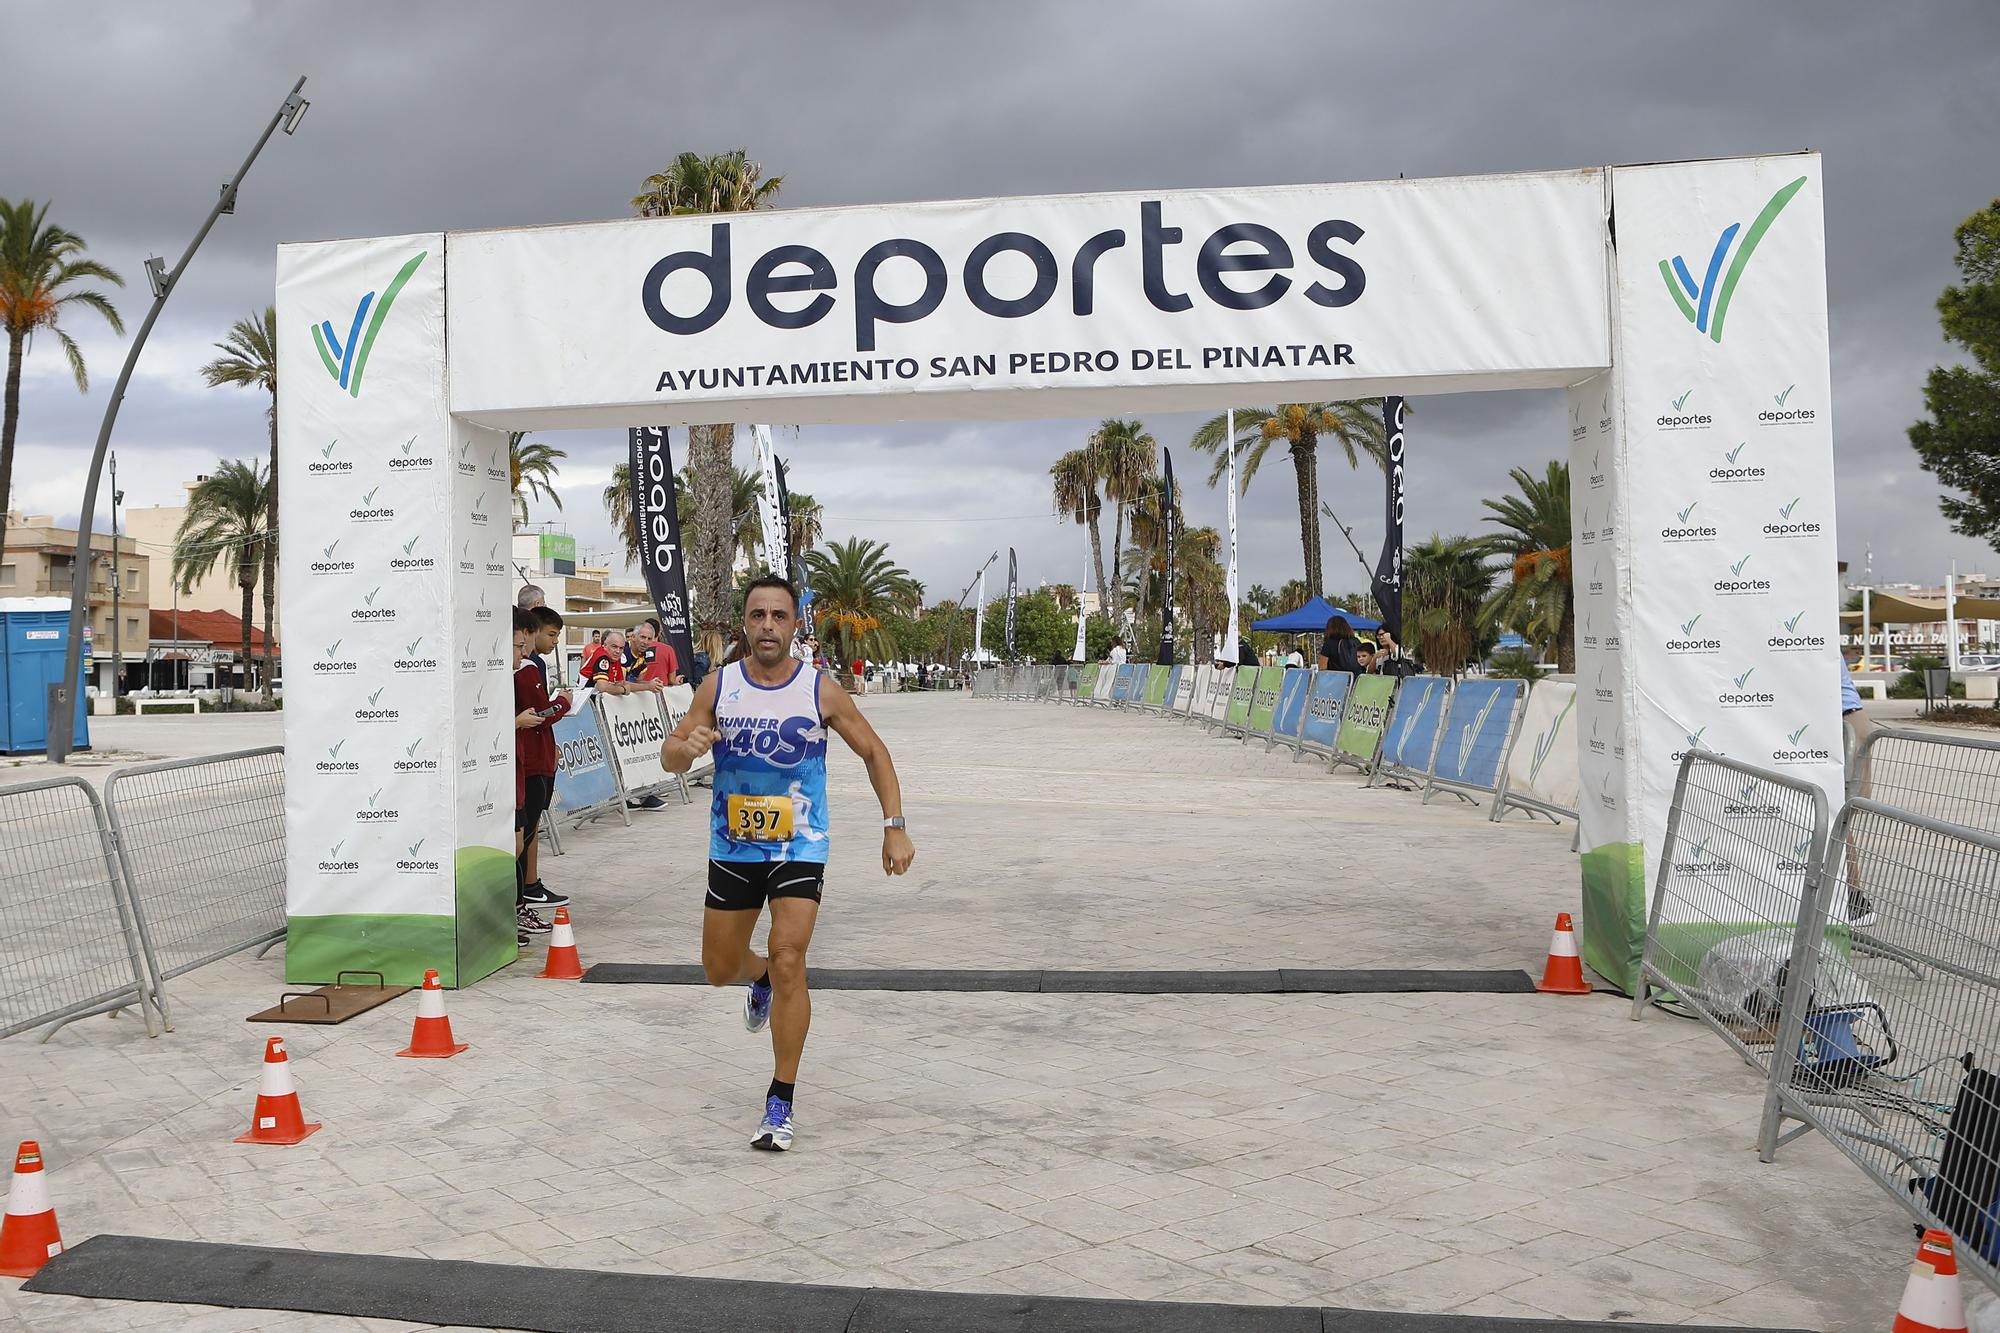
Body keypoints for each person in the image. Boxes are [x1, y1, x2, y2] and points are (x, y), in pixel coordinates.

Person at [661, 574, 916, 1153]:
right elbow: (671, 754)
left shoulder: (818, 689)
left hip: (800, 844)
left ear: (795, 624)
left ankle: (780, 1099)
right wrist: (687, 748)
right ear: (744, 624)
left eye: (779, 615)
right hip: (734, 845)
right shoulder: (719, 685)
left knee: (790, 954)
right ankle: (759, 982)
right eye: (757, 616)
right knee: (719, 967)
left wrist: (894, 826)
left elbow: (874, 751)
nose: (768, 625)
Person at [512, 610, 570, 942]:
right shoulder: (526, 670)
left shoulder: (525, 667)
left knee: (525, 836)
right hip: (529, 766)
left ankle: (523, 899)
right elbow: (540, 714)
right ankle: (520, 902)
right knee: (521, 839)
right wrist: (563, 701)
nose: (525, 651)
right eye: (549, 634)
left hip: (532, 763)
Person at [627, 617, 683, 687]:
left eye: (649, 638)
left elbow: (634, 680)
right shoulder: (668, 649)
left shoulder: (638, 652)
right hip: (658, 690)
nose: (645, 641)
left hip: (640, 692)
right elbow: (671, 680)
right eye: (642, 637)